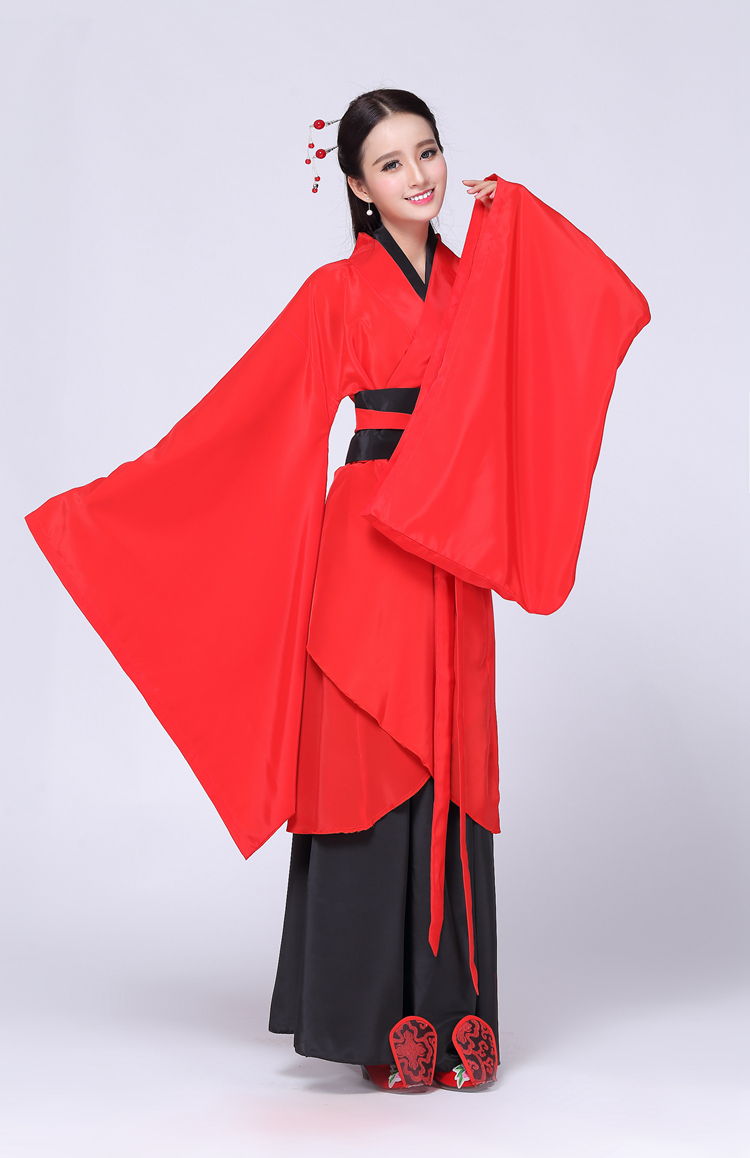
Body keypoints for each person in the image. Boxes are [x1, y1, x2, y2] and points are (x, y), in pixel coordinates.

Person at [26, 89, 649, 1093]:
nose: (419, 176)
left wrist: (519, 222)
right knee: (367, 754)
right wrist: (120, 505)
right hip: (368, 537)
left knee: (451, 754)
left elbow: (582, 317)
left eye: (428, 152)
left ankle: (453, 1010)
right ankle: (374, 1020)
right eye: (392, 163)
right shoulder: (335, 293)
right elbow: (245, 415)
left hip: (455, 539)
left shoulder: (479, 279)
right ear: (358, 186)